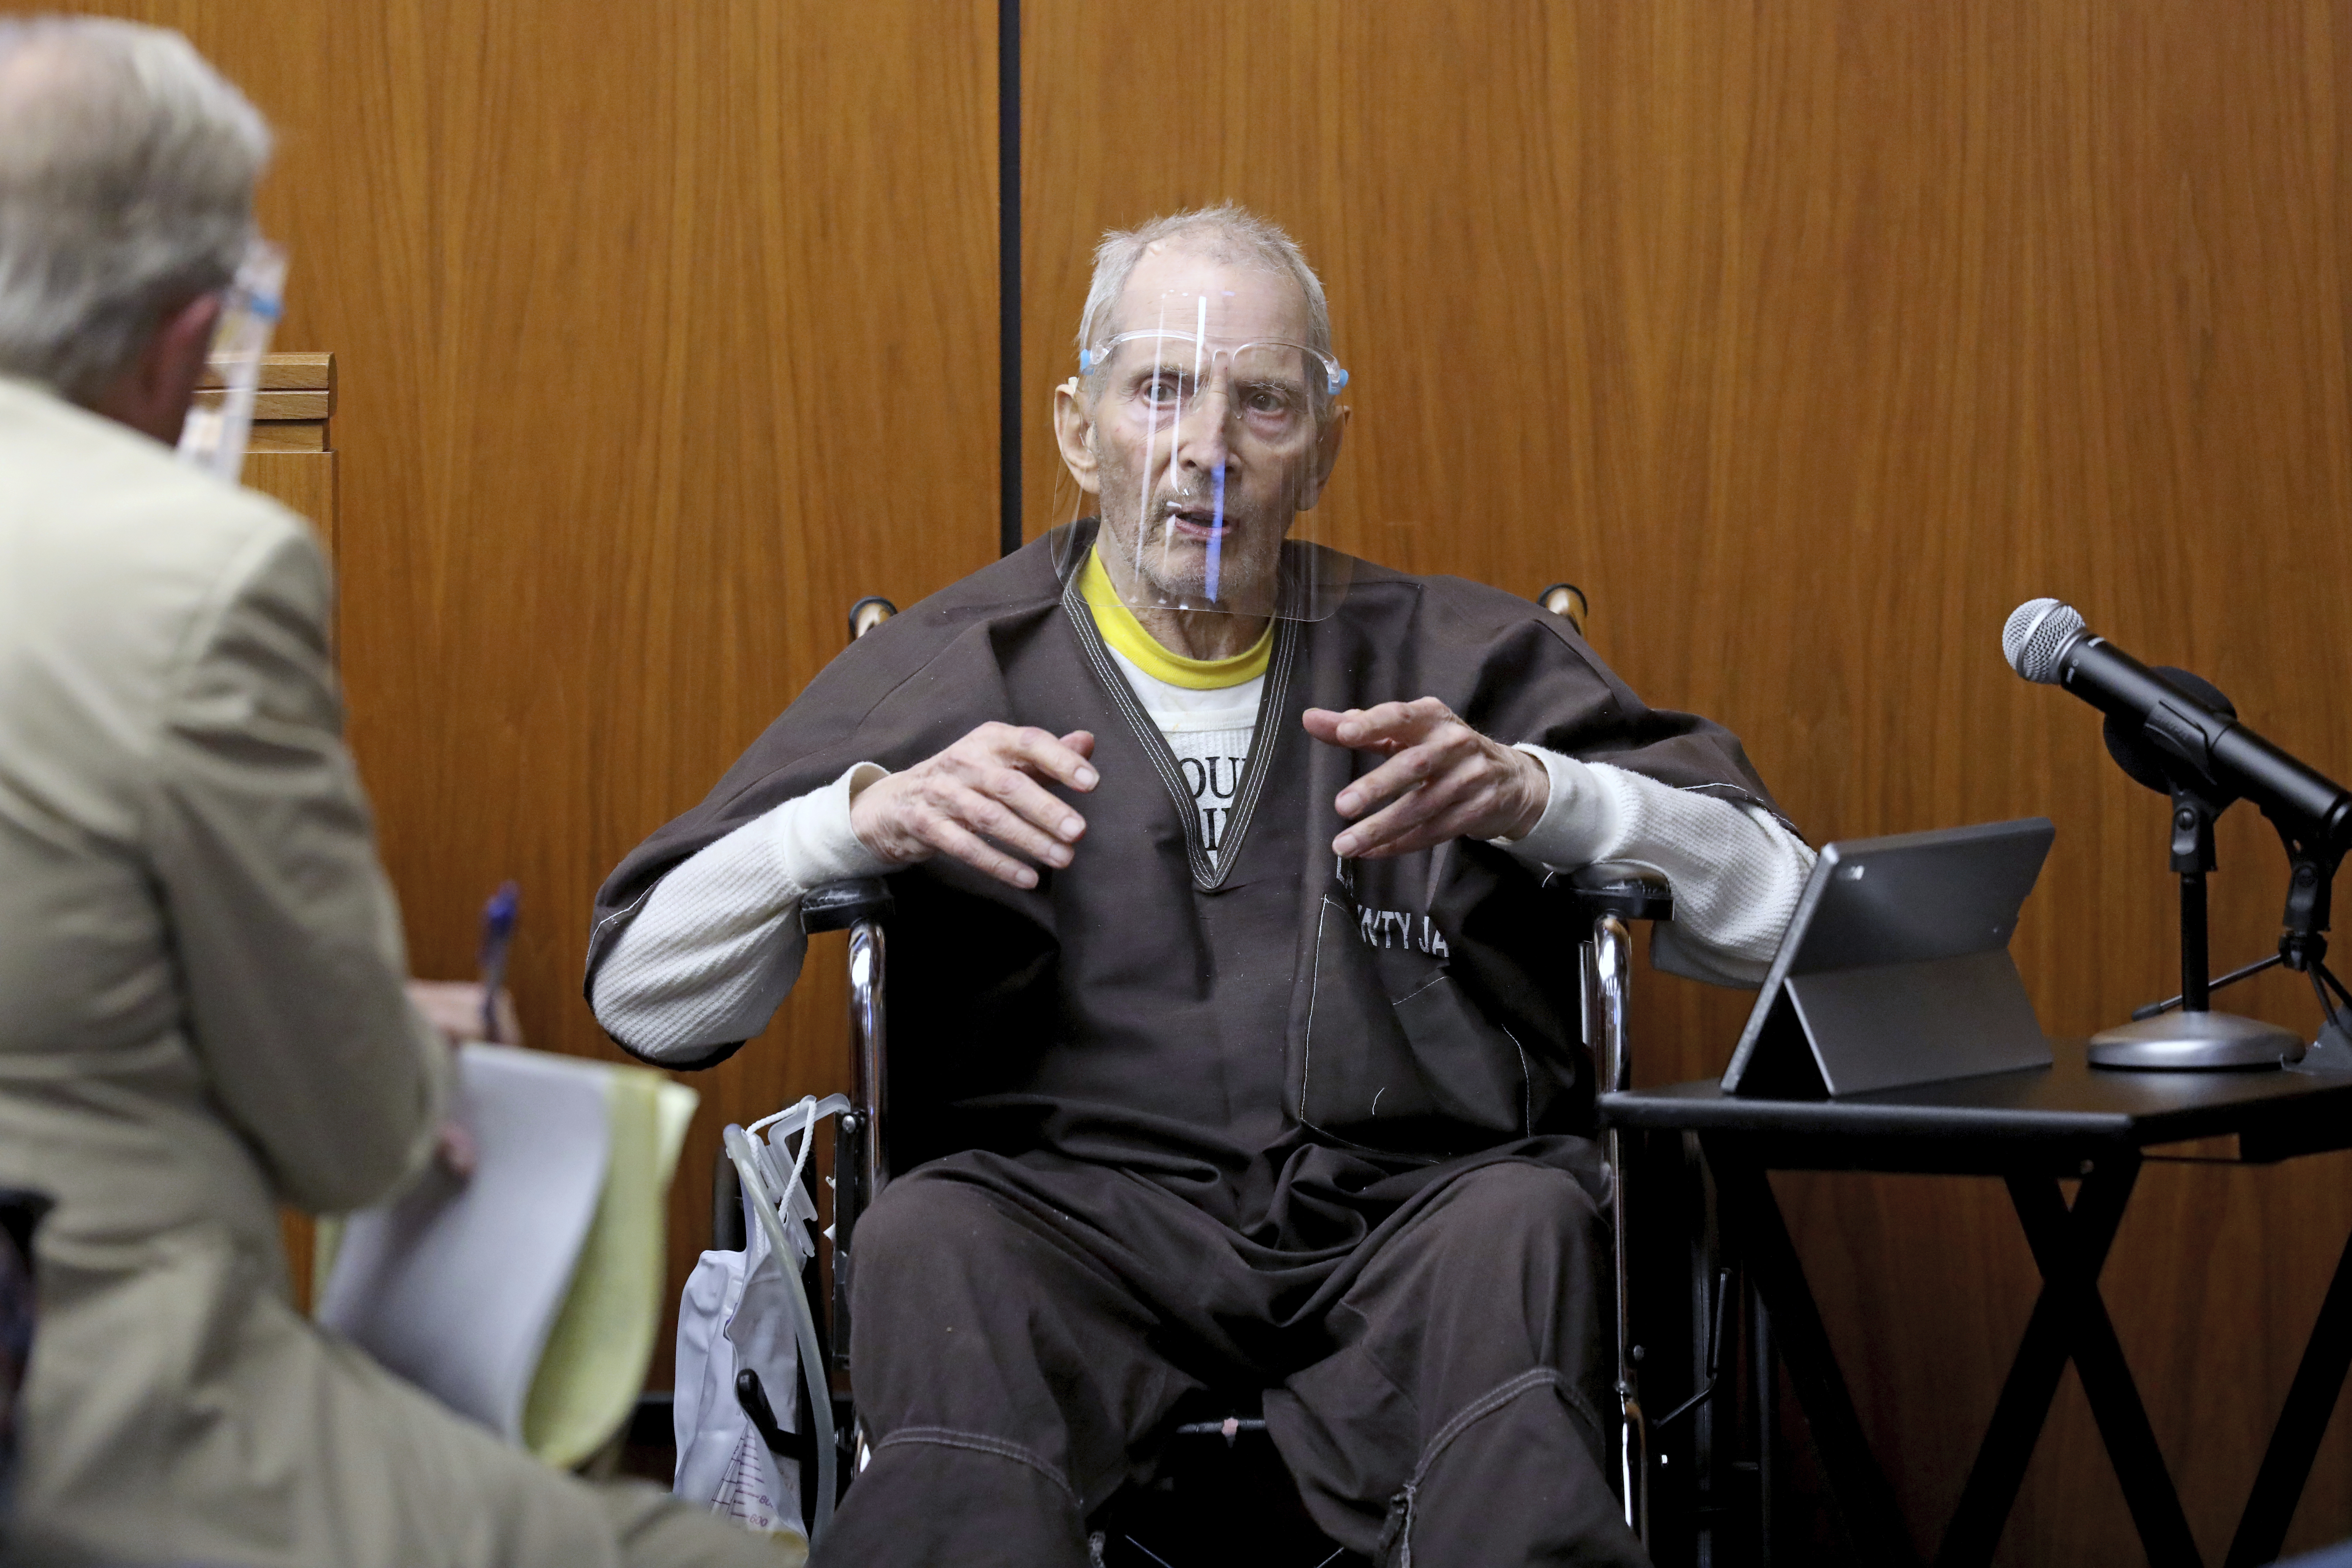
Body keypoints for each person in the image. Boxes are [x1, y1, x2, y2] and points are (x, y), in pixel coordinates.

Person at [590, 203, 1816, 1566]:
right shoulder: (951, 674)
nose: (1207, 451)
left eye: (1265, 404)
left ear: (1326, 447)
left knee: (1534, 1216)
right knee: (928, 1231)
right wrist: (854, 824)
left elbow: (1786, 922)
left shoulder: (1457, 656)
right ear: (1078, 424)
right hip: (1066, 1226)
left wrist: (1549, 797)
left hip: (1408, 1219)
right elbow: (649, 997)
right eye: (1160, 389)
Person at [0, 20, 783, 1568]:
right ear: (189, 337)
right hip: (77, 1395)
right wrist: (387, 1047)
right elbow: (352, 1139)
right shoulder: (197, 571)